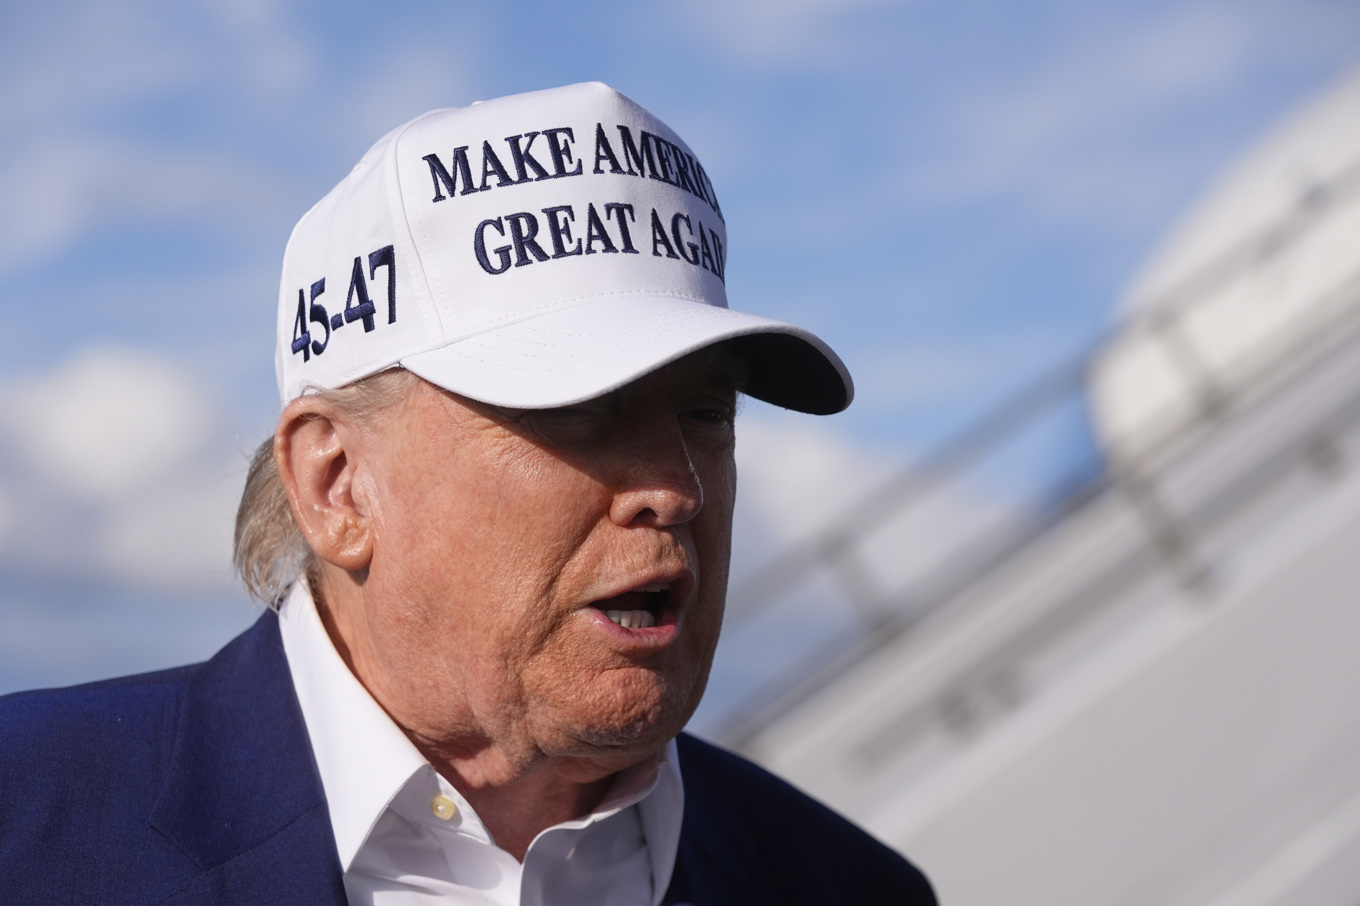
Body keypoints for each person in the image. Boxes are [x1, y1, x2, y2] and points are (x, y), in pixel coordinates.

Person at [0, 82, 935, 905]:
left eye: (706, 414)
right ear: (338, 485)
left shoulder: (847, 884)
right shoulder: (26, 828)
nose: (672, 489)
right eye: (580, 410)